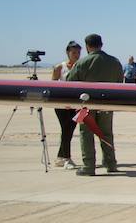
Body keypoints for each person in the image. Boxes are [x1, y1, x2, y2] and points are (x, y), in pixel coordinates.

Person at [66, 33, 124, 175]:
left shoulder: (82, 63)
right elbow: (119, 82)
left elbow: (70, 82)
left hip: (85, 105)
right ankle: (111, 163)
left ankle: (88, 166)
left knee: (86, 134)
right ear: (101, 44)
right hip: (106, 104)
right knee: (106, 134)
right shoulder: (114, 62)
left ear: (87, 46)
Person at [51, 41, 82, 170]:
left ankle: (60, 157)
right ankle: (67, 158)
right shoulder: (60, 67)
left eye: (78, 53)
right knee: (66, 128)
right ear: (68, 52)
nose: (76, 55)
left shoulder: (80, 66)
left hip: (76, 104)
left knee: (70, 129)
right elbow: (53, 85)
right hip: (62, 104)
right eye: (74, 52)